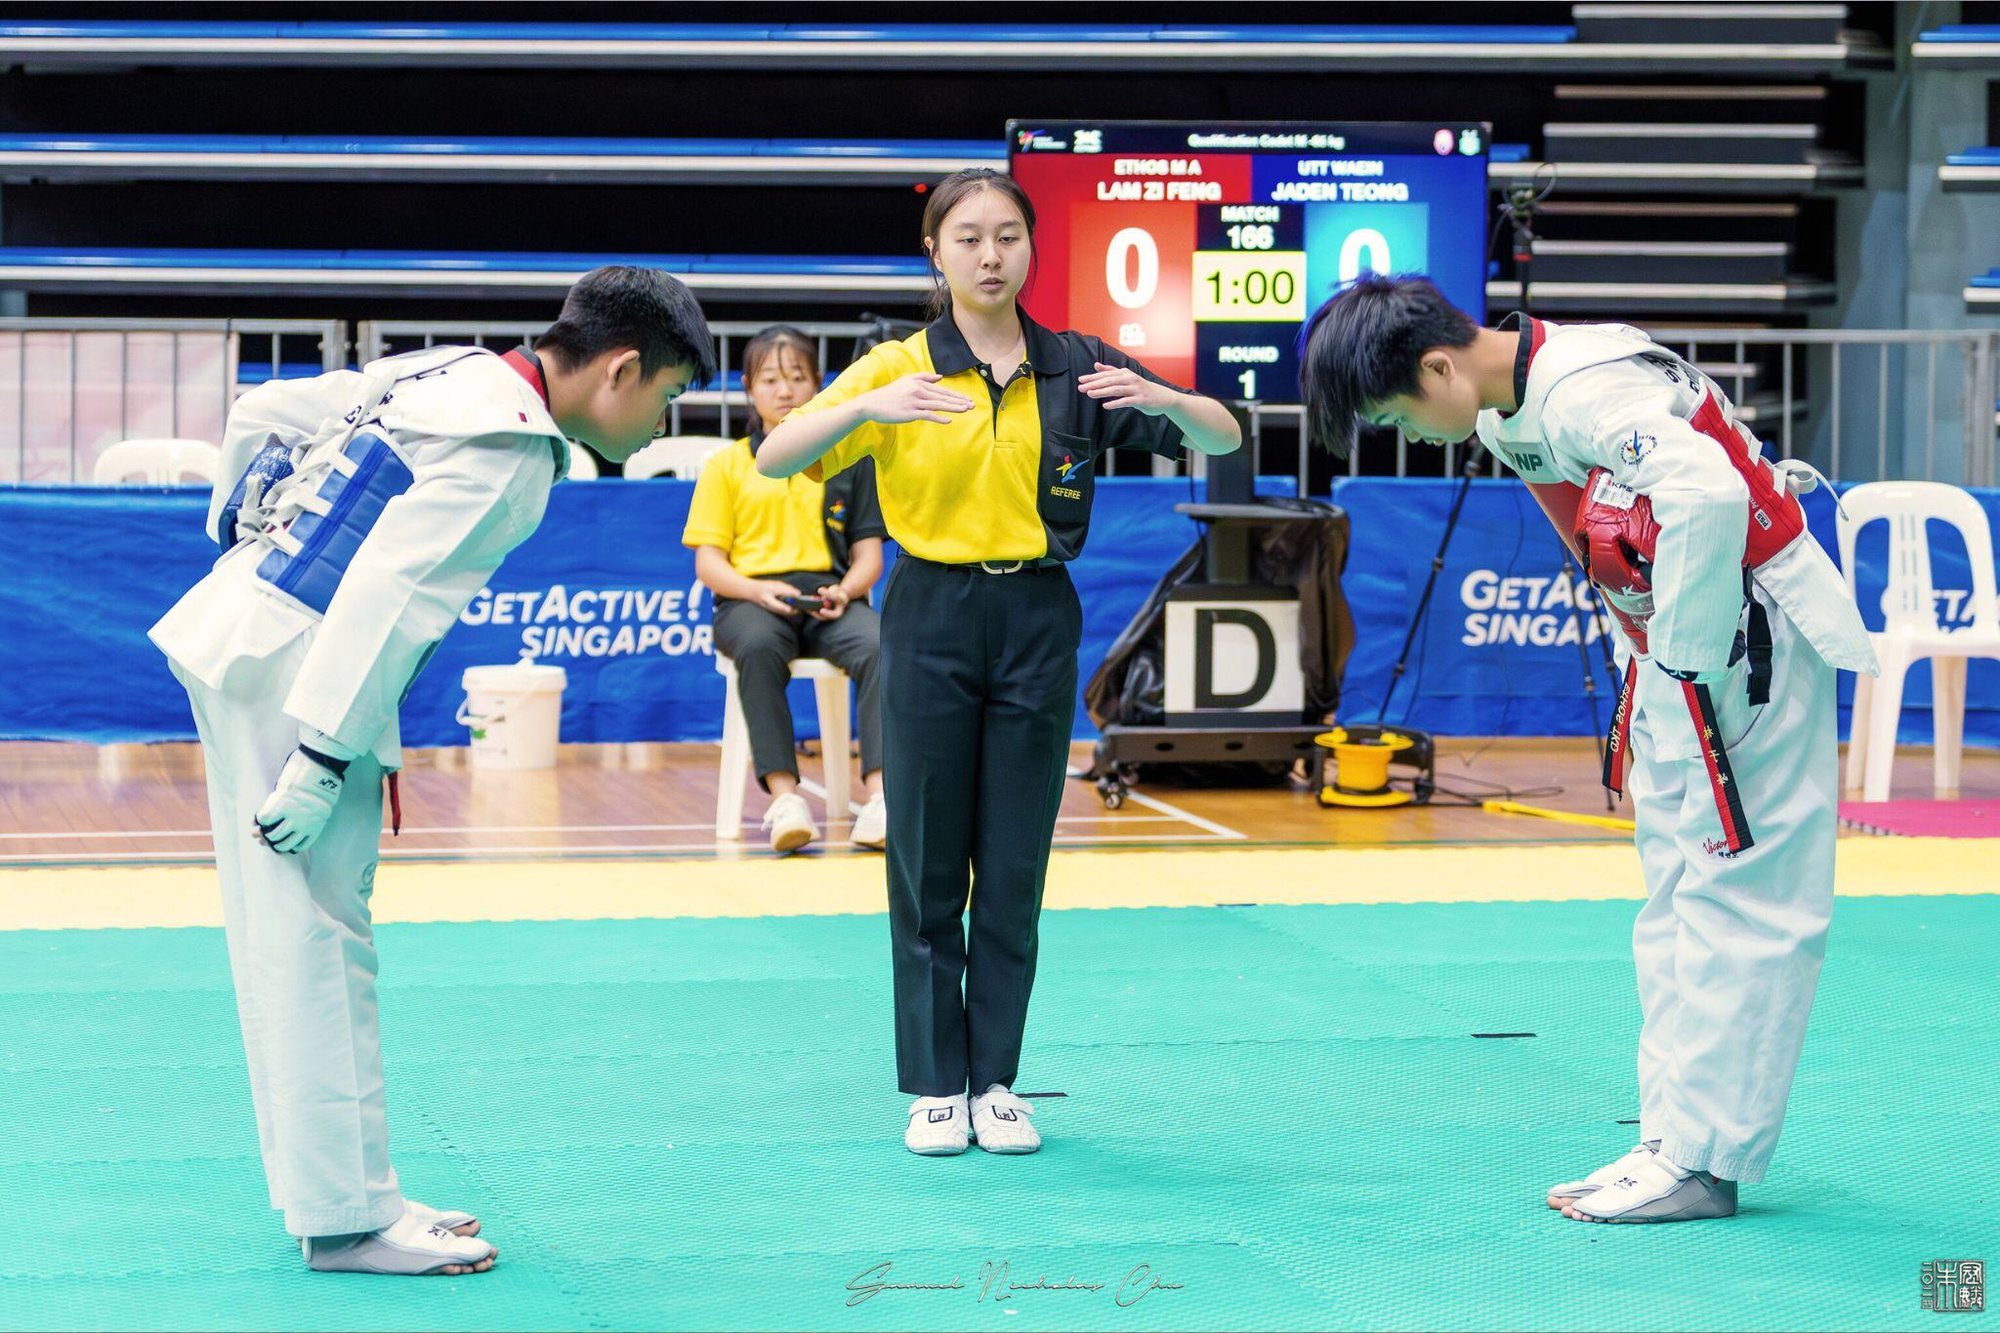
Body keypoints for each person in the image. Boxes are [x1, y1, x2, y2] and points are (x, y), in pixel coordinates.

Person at [148, 267, 714, 1273]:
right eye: (667, 395)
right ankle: (345, 1219)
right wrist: (326, 755)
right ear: (620, 370)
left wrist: (237, 534)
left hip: (246, 635)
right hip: (298, 678)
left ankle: (345, 1193)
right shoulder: (513, 450)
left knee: (288, 938)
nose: (657, 419)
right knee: (320, 943)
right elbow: (389, 597)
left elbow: (263, 410)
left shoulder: (449, 371)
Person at [1298, 273, 1877, 1223]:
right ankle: (1672, 1138)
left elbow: (1704, 489)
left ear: (1438, 366)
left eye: (1401, 414)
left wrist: (1685, 660)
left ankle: (1705, 1158)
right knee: (1677, 898)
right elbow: (1605, 539)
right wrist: (1650, 662)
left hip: (1744, 646)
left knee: (1746, 896)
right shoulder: (1505, 408)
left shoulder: (1585, 384)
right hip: (1678, 657)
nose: (1409, 436)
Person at [757, 168, 1242, 1157]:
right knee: (927, 856)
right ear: (934, 254)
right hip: (929, 613)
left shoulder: (1075, 365)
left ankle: (998, 1081)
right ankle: (935, 1086)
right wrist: (862, 411)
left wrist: (1164, 397)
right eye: (967, 237)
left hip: (1034, 614)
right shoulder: (896, 366)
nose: (988, 254)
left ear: (1030, 250)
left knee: (1013, 860)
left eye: (1007, 236)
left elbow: (1223, 433)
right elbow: (774, 455)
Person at [684, 325, 889, 853]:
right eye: (770, 379)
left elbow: (870, 557)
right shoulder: (728, 465)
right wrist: (755, 591)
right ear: (750, 388)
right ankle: (785, 799)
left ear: (818, 386)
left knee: (881, 647)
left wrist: (845, 591)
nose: (784, 390)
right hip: (752, 600)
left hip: (831, 599)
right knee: (756, 647)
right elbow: (709, 563)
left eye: (797, 378)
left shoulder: (847, 459)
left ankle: (882, 798)